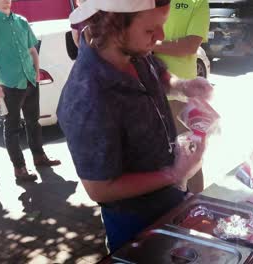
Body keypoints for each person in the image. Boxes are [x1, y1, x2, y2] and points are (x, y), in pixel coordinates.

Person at [57, 0, 213, 252]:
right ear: (114, 26)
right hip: (133, 221)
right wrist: (173, 173)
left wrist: (181, 86)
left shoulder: (131, 49)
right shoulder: (86, 96)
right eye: (151, 30)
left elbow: (157, 71)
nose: (160, 37)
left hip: (170, 201)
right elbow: (99, 188)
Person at [0, 0, 60, 182]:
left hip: (30, 80)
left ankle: (39, 157)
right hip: (9, 84)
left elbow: (32, 50)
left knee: (33, 122)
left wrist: (37, 73)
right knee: (12, 128)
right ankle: (19, 169)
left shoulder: (21, 21)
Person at [153, 0, 209, 193]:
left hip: (180, 96)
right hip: (147, 90)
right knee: (155, 156)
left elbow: (189, 46)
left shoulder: (198, 2)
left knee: (190, 156)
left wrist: (150, 44)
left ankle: (196, 208)